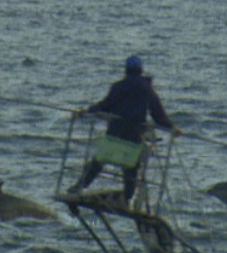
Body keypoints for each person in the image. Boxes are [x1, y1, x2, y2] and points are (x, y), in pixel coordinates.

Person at [69, 55, 179, 200]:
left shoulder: (118, 87)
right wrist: (173, 128)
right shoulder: (147, 89)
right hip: (134, 138)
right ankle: (127, 199)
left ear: (126, 71)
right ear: (141, 71)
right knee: (131, 171)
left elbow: (104, 106)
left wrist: (86, 111)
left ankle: (79, 187)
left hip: (115, 135)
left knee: (98, 162)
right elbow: (159, 115)